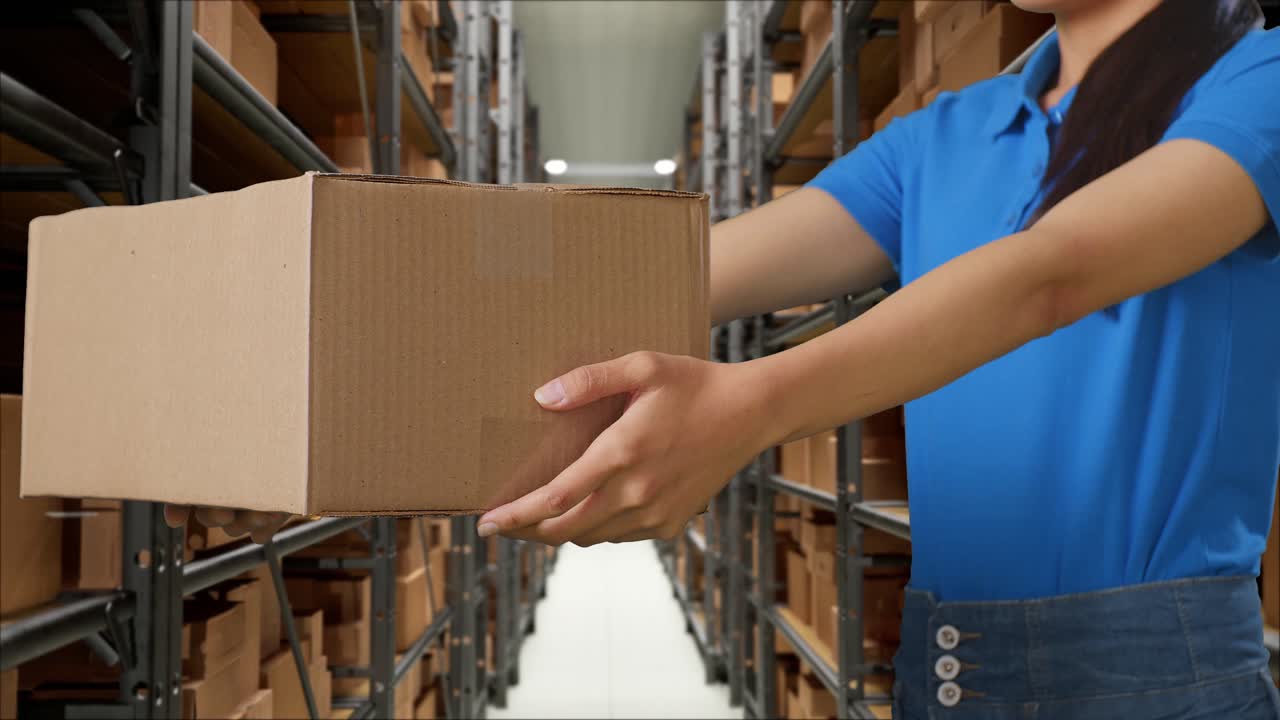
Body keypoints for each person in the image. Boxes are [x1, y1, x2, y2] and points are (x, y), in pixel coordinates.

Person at [169, 0, 1280, 716]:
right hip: (949, 666)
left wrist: (752, 406)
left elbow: (1055, 272)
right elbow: (671, 273)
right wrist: (339, 307)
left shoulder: (1255, 77)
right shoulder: (947, 131)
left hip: (1154, 673)